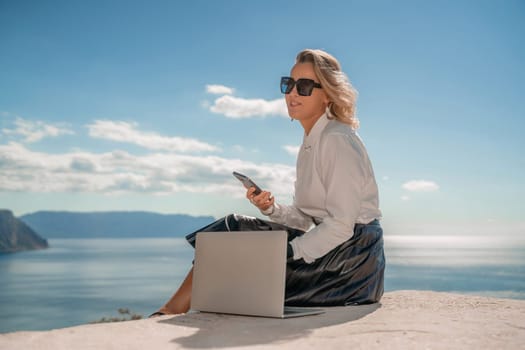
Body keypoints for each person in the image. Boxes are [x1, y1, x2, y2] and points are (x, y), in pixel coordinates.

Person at [151, 49, 385, 316]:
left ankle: (169, 312)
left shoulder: (337, 140)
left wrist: (284, 252)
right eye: (289, 83)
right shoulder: (312, 142)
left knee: (236, 234)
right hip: (331, 252)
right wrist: (271, 210)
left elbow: (342, 225)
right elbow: (307, 218)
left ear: (328, 95)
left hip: (350, 267)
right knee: (232, 230)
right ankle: (171, 311)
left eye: (305, 86)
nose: (292, 93)